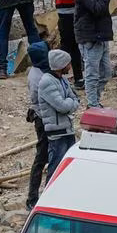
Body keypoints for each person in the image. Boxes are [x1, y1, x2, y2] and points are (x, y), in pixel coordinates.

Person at [74, 0, 113, 107]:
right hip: (90, 37)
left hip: (100, 35)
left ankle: (94, 102)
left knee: (106, 73)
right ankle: (93, 104)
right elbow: (97, 8)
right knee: (92, 74)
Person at [38, 50, 80, 181]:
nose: (70, 66)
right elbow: (63, 106)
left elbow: (75, 98)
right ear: (61, 64)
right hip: (57, 132)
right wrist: (70, 103)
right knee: (56, 168)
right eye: (68, 63)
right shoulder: (47, 82)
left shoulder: (63, 80)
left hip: (67, 129)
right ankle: (48, 196)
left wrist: (70, 103)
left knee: (68, 167)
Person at [25, 42, 50, 210]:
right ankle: (32, 197)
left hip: (46, 117)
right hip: (43, 119)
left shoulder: (40, 71)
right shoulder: (37, 77)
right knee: (42, 157)